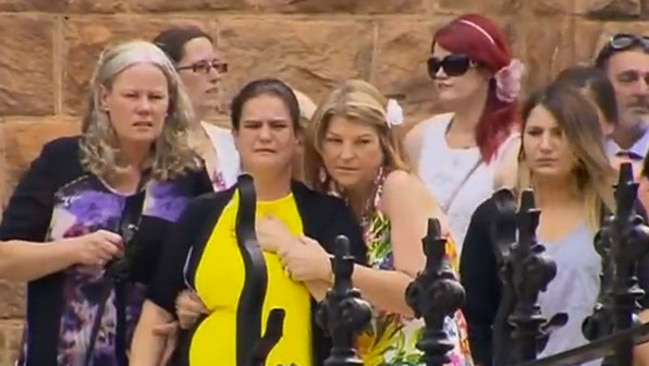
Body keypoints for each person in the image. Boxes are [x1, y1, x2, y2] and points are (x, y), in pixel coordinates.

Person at [0, 40, 213, 365]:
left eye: (155, 97)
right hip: (58, 353)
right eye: (132, 96)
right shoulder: (62, 161)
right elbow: (6, 257)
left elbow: (206, 267)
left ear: (169, 105)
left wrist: (189, 304)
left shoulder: (188, 176)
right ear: (105, 99)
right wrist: (73, 250)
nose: (144, 107)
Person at [129, 78, 366, 366]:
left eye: (278, 126)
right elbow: (156, 314)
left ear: (297, 137)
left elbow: (354, 313)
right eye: (253, 126)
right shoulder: (202, 212)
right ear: (236, 136)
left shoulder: (328, 214)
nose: (265, 136)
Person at [292, 79, 473, 365]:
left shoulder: (397, 187)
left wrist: (327, 266)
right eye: (335, 141)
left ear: (384, 143)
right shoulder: (342, 202)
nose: (346, 154)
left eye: (362, 142)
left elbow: (417, 295)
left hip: (424, 354)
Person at [460, 83, 623, 365]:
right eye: (535, 133)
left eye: (559, 133)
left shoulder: (614, 214)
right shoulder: (495, 218)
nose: (545, 146)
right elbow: (476, 317)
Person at [404, 14, 522, 252]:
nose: (440, 74)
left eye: (454, 64)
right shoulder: (420, 138)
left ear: (487, 69)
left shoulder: (514, 146)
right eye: (434, 65)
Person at [154, 25, 240, 191]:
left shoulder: (230, 143)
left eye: (217, 65)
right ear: (170, 76)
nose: (215, 76)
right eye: (200, 67)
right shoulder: (152, 145)